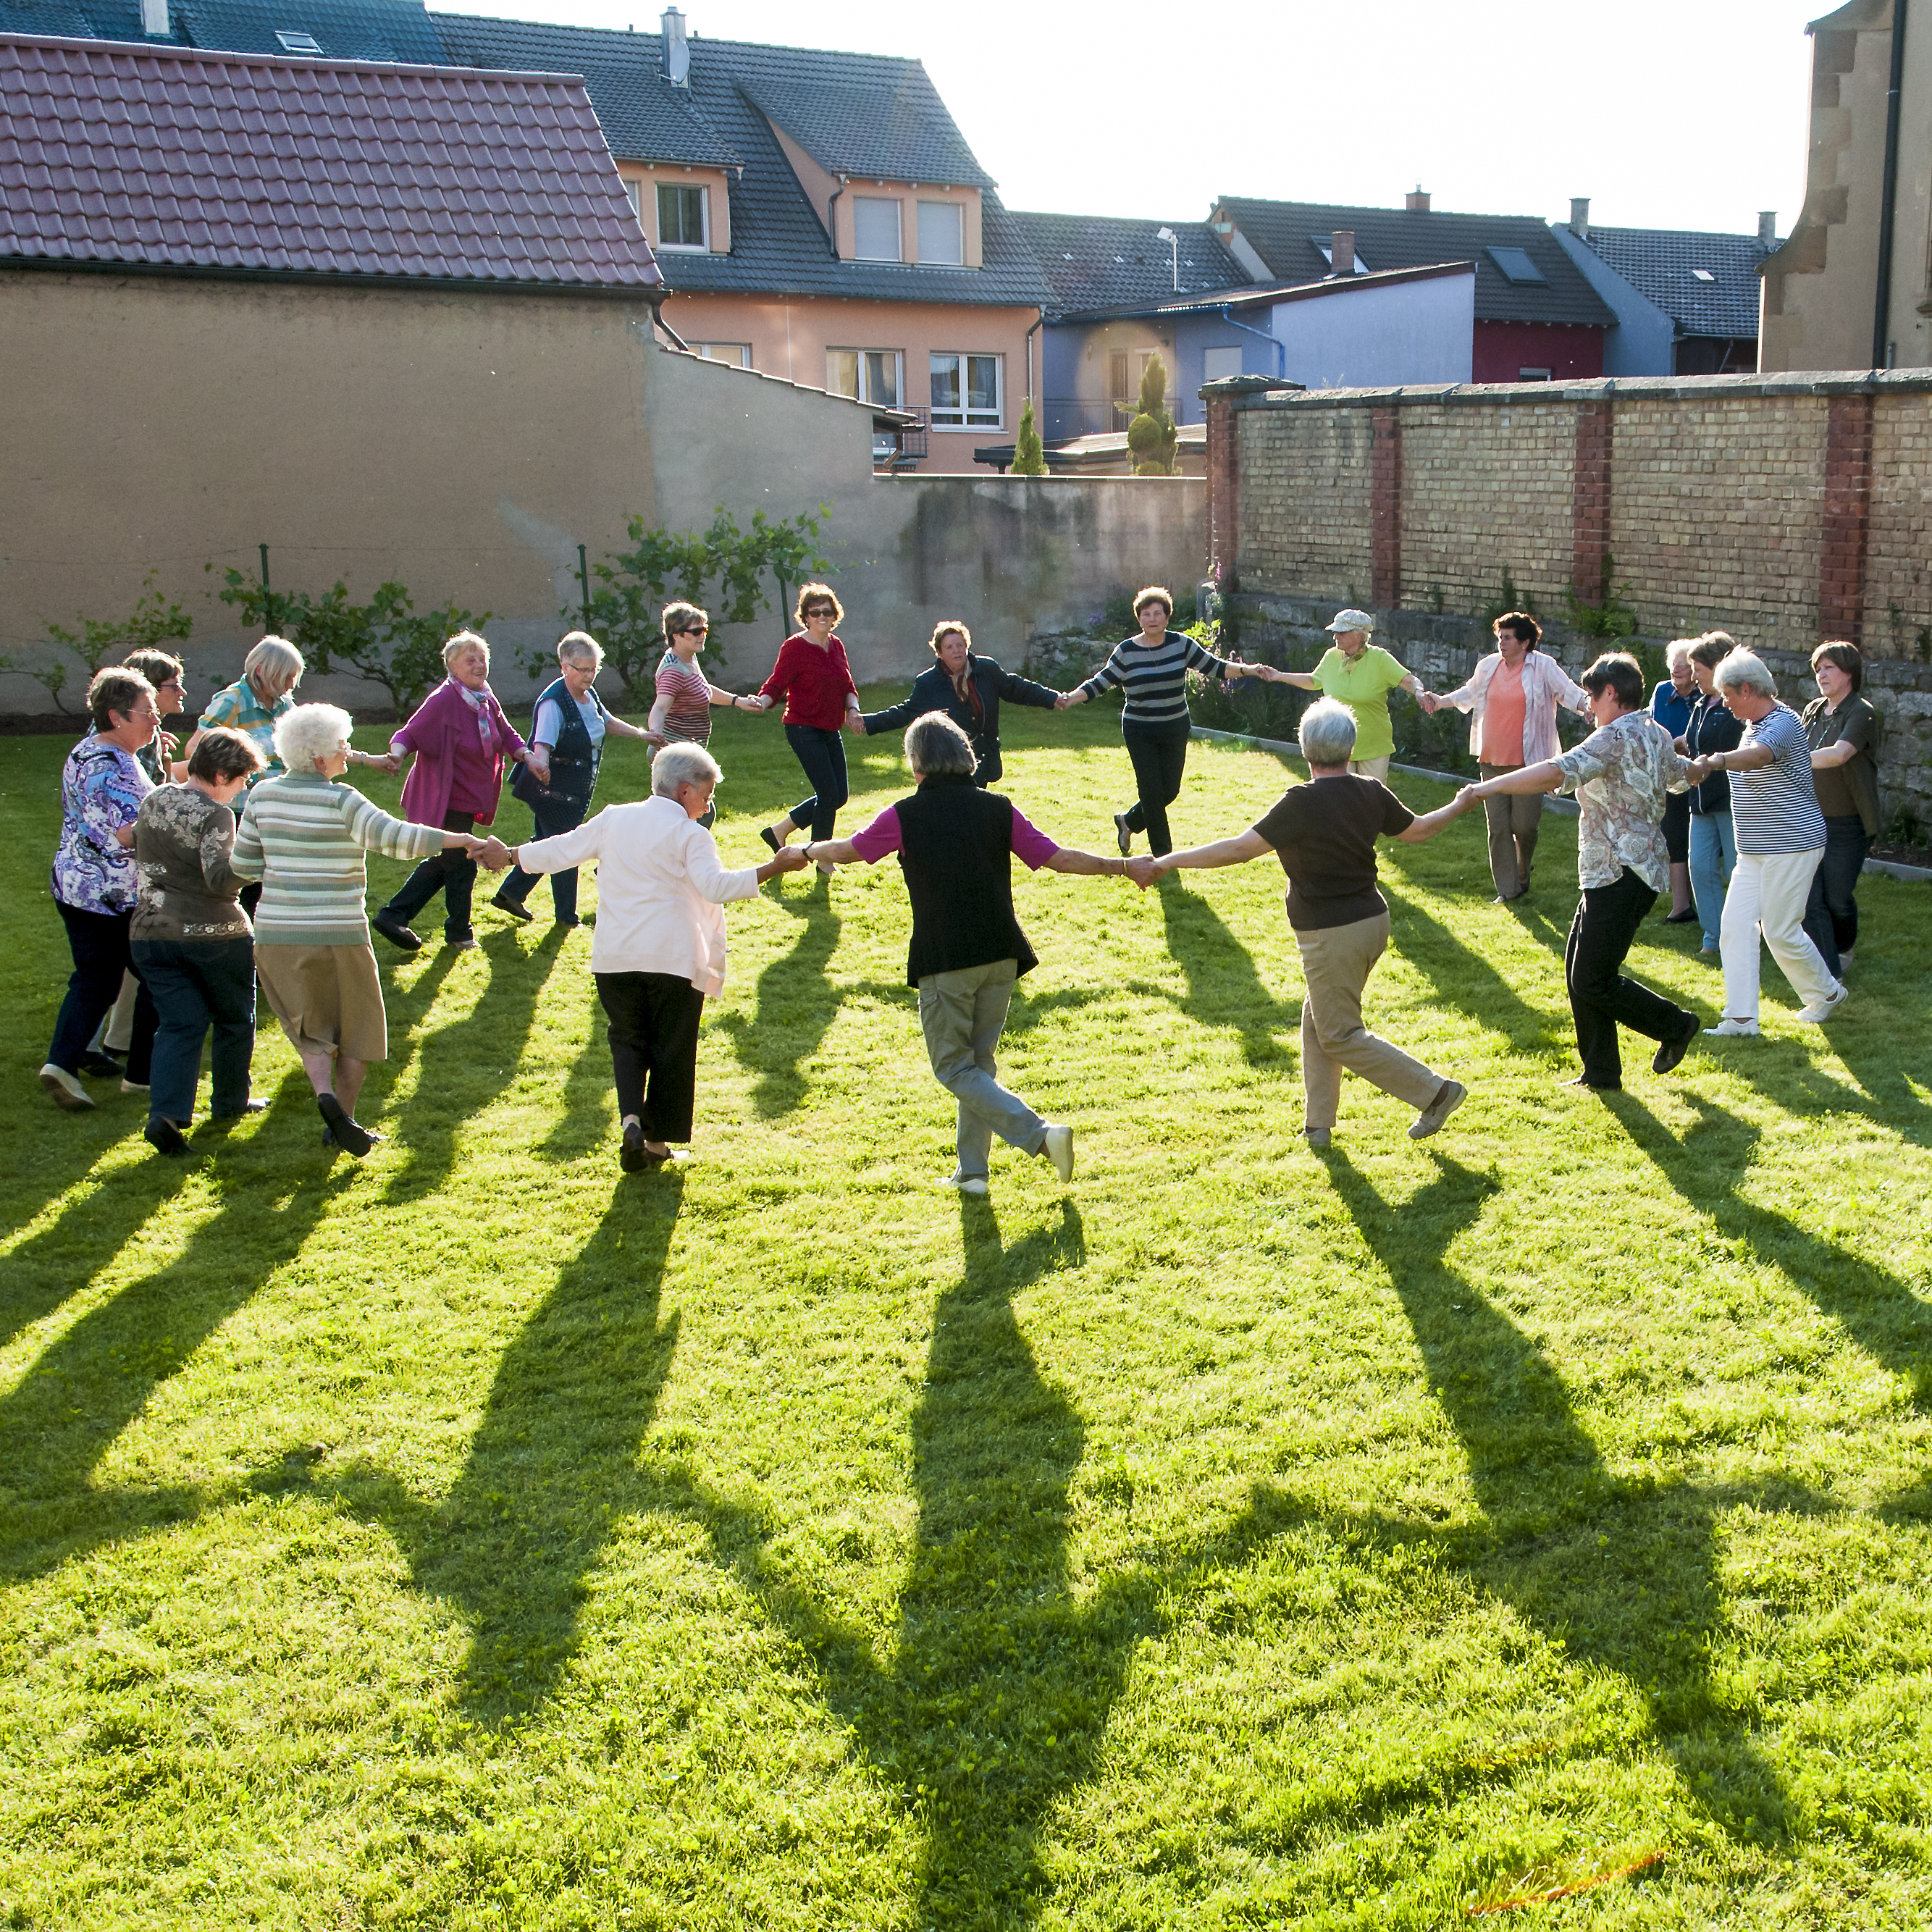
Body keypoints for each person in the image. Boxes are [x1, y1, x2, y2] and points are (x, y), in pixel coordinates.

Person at [803, 713, 1128, 1191]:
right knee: (978, 1067)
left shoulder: (904, 815)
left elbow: (853, 849)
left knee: (953, 1068)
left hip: (947, 957)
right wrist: (1123, 866)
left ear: (917, 765)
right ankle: (972, 1172)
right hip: (1001, 953)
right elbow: (1057, 858)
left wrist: (809, 851)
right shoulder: (999, 808)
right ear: (965, 757)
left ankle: (1041, 1136)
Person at [1133, 699, 1475, 1148]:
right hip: (1372, 922)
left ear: (1304, 749)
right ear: (1350, 746)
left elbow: (1238, 850)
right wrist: (1459, 803)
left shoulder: (1302, 802)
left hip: (1332, 933)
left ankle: (1437, 1092)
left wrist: (1167, 860)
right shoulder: (1370, 790)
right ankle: (1319, 1126)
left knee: (1339, 1033)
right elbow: (1418, 830)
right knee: (1318, 1020)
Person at [480, 743, 807, 1170]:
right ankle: (656, 1144)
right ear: (685, 791)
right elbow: (716, 887)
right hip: (671, 960)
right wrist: (774, 867)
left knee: (627, 1041)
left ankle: (632, 1121)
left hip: (614, 958)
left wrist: (509, 855)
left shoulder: (615, 818)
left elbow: (561, 849)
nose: (708, 804)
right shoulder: (691, 834)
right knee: (671, 1049)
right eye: (706, 795)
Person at [231, 703, 490, 1156]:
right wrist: (459, 840)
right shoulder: (342, 799)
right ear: (318, 758)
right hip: (337, 933)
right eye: (340, 747)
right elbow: (398, 837)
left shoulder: (261, 796)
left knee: (310, 1028)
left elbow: (244, 866)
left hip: (275, 935)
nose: (347, 754)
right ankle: (343, 1121)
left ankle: (325, 1097)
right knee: (359, 1028)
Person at [1466, 653, 1702, 1091]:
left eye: (1592, 696)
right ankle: (1601, 1073)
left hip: (1620, 872)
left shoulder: (1612, 737)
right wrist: (1704, 764)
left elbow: (1557, 771)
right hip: (1625, 870)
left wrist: (1489, 786)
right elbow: (1682, 776)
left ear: (1612, 693)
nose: (1588, 705)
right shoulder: (1656, 732)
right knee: (1580, 969)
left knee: (1593, 978)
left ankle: (1675, 1025)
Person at [129, 726, 266, 1155]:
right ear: (223, 774)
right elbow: (221, 883)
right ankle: (230, 1101)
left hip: (150, 932)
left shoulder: (155, 797)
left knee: (180, 1023)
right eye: (243, 779)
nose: (243, 789)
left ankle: (165, 1115)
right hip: (212, 936)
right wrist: (262, 860)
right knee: (234, 1018)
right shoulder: (216, 814)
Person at [1692, 650, 1842, 1036]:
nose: (1723, 702)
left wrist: (1715, 761)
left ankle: (1826, 994)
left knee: (1780, 930)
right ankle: (1740, 1019)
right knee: (1735, 926)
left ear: (1746, 688)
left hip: (1793, 846)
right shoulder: (1754, 723)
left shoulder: (1783, 722)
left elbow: (1761, 757)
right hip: (1755, 851)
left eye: (1727, 695)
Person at [1057, 585, 1268, 857]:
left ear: (1167, 617)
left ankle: (1129, 821)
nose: (1153, 619)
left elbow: (1215, 667)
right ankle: (1163, 857)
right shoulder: (1126, 652)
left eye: (1158, 613)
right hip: (1139, 730)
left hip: (1175, 727)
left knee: (1169, 790)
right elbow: (1101, 682)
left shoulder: (1181, 644)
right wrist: (1071, 698)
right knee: (1151, 791)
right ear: (1139, 619)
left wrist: (1249, 669)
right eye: (1146, 614)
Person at [38, 668, 161, 1110]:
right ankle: (142, 1077)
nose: (155, 721)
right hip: (113, 897)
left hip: (75, 888)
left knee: (95, 979)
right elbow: (129, 832)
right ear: (116, 715)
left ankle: (61, 1065)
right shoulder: (115, 768)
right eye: (146, 713)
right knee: (159, 977)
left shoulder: (86, 751)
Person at [490, 629, 661, 926]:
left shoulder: (587, 694)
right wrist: (540, 765)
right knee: (565, 849)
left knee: (547, 841)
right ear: (565, 667)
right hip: (552, 791)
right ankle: (567, 917)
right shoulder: (553, 703)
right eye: (584, 669)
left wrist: (640, 734)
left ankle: (511, 893)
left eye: (595, 668)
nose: (590, 675)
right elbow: (541, 744)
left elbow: (605, 721)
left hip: (572, 791)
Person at [374, 631, 531, 952]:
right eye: (470, 660)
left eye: (483, 659)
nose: (479, 665)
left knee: (449, 860)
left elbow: (505, 732)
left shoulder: (484, 697)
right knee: (460, 862)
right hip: (447, 797)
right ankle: (457, 932)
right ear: (453, 668)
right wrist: (396, 756)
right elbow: (409, 733)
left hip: (469, 794)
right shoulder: (445, 699)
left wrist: (526, 755)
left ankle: (395, 915)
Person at [1423, 610, 1589, 902]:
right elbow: (1469, 693)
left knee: (1524, 827)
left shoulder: (1543, 667)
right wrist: (1440, 702)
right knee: (1498, 828)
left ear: (1525, 642)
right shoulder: (1489, 665)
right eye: (1500, 637)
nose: (1502, 643)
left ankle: (1523, 868)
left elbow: (1569, 692)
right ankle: (1508, 890)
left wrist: (1589, 706)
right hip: (1491, 760)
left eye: (1508, 638)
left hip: (1529, 763)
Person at [87, 645, 194, 1070]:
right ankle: (122, 1051)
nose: (181, 692)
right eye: (171, 686)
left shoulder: (142, 741)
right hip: (119, 878)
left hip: (113, 877)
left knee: (122, 967)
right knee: (139, 967)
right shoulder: (116, 751)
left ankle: (113, 1043)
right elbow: (133, 823)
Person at [853, 619, 1060, 786]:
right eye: (950, 647)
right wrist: (868, 723)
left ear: (967, 646)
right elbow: (906, 712)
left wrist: (1053, 698)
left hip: (985, 753)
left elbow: (1017, 688)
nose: (956, 651)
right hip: (950, 758)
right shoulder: (929, 682)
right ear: (940, 653)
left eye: (960, 645)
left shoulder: (986, 669)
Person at [753, 584, 863, 875]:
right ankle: (823, 858)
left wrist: (852, 710)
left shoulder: (836, 645)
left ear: (834, 614)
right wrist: (763, 702)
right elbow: (776, 683)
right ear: (806, 616)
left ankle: (779, 831)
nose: (822, 617)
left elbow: (847, 687)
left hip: (830, 727)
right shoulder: (794, 647)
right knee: (828, 794)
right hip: (803, 727)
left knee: (839, 795)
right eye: (815, 613)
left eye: (827, 611)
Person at [1263, 608, 1428, 781]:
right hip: (1337, 744)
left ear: (1359, 635)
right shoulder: (1331, 657)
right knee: (1339, 799)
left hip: (1373, 746)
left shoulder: (1380, 659)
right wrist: (1279, 676)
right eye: (1335, 632)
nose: (1335, 636)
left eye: (1341, 632)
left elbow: (1408, 680)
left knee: (1370, 801)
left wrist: (1419, 692)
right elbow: (1313, 681)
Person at [1800, 641, 1882, 978]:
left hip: (1848, 824)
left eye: (1829, 668)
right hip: (1810, 820)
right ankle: (1825, 965)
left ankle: (1844, 946)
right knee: (1810, 898)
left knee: (1837, 896)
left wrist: (1789, 759)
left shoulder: (1862, 712)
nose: (1822, 675)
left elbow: (1839, 755)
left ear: (1849, 672)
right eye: (1818, 668)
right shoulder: (1813, 710)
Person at [643, 600, 758, 828]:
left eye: (704, 629)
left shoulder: (689, 659)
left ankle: (679, 857)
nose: (702, 635)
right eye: (696, 631)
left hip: (689, 751)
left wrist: (738, 701)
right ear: (676, 635)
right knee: (699, 814)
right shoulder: (673, 670)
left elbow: (704, 690)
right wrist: (655, 734)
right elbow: (660, 707)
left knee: (691, 815)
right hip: (675, 755)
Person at [1679, 632, 1744, 957]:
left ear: (1718, 667)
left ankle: (1745, 936)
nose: (1693, 677)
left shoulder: (1737, 707)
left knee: (1737, 873)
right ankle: (1713, 938)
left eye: (1698, 669)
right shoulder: (1701, 704)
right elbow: (1694, 742)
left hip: (1731, 803)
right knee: (1701, 869)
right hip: (1700, 802)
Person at [1649, 640, 1700, 921]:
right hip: (1670, 776)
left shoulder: (1704, 697)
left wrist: (1685, 743)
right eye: (1673, 663)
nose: (1677, 669)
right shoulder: (1662, 691)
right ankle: (1681, 906)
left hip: (1700, 774)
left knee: (1702, 844)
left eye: (1684, 664)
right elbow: (1652, 725)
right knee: (1673, 837)